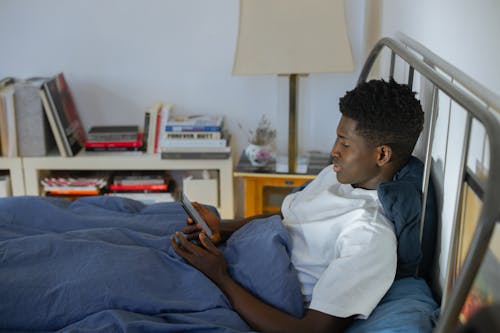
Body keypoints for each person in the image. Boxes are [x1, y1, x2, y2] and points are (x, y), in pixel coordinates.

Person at [171, 79, 425, 333]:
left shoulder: (368, 236)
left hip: (245, 287)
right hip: (236, 259)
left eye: (345, 144)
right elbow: (287, 218)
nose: (334, 150)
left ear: (381, 155)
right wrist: (222, 228)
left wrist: (220, 277)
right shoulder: (336, 177)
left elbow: (311, 330)